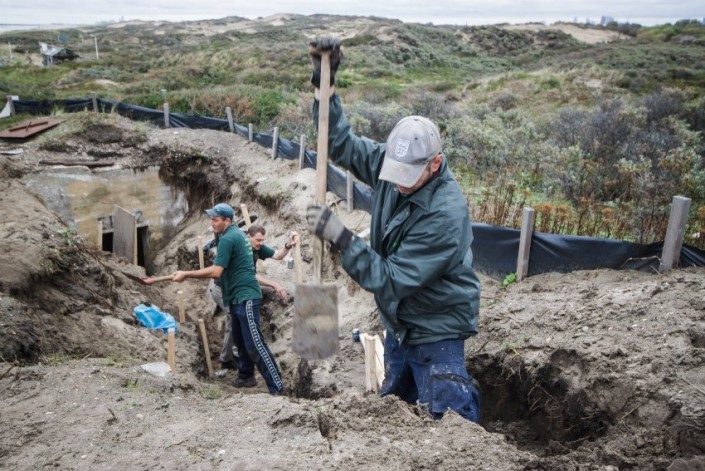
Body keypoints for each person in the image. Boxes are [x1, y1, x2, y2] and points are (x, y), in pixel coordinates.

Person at [305, 37, 481, 423]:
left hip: (436, 328)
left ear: (435, 164)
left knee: (450, 423)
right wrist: (324, 85)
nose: (398, 182)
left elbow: (391, 279)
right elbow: (338, 143)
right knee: (394, 415)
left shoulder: (444, 215)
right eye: (395, 172)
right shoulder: (392, 165)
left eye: (409, 175)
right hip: (401, 326)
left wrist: (341, 236)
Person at [171, 203, 284, 395]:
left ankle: (277, 387)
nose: (211, 223)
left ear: (227, 221)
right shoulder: (235, 235)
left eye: (215, 220)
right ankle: (246, 376)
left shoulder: (229, 238)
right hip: (235, 297)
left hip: (246, 296)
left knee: (254, 344)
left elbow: (216, 272)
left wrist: (186, 274)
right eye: (211, 219)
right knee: (240, 341)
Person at [211, 224, 298, 377]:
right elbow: (250, 275)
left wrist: (287, 245)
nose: (261, 243)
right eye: (258, 240)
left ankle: (237, 363)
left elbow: (278, 255)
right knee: (235, 321)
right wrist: (274, 284)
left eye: (262, 240)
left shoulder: (258, 247)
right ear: (248, 237)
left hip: (240, 287)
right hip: (222, 289)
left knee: (238, 325)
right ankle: (230, 359)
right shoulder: (240, 248)